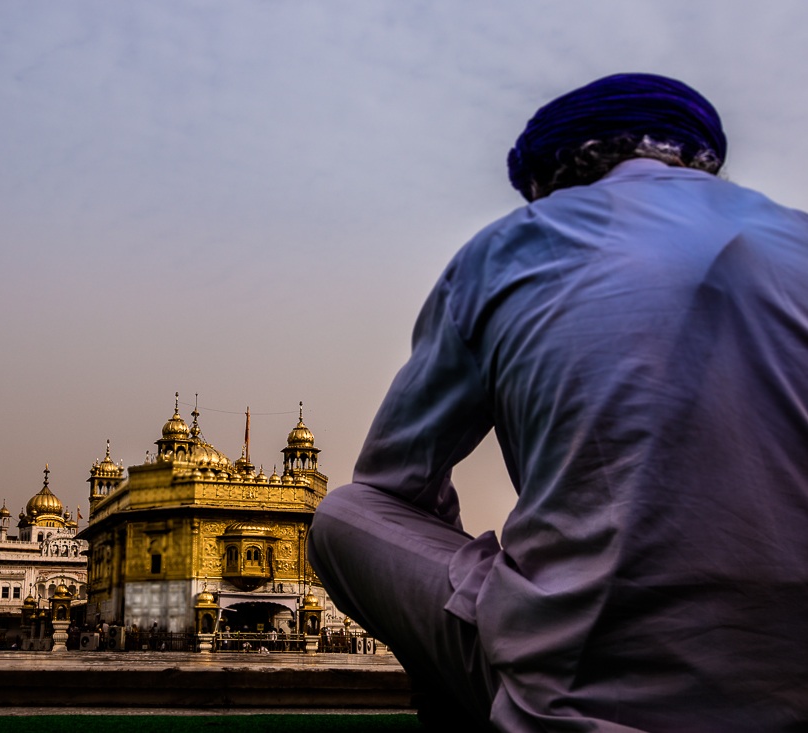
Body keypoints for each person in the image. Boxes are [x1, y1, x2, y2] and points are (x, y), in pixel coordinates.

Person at [307, 73, 808, 732]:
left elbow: (395, 485)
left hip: (576, 700)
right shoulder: (795, 235)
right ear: (700, 158)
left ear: (553, 176)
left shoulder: (508, 246)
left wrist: (490, 585)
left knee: (345, 512)